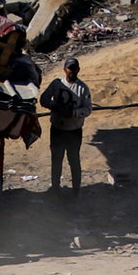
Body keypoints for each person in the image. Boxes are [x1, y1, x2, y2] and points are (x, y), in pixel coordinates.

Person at [39, 56, 92, 197]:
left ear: (78, 70)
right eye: (70, 68)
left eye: (74, 68)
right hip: (57, 130)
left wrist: (73, 113)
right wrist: (55, 106)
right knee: (56, 160)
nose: (72, 71)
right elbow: (43, 99)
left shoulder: (83, 88)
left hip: (74, 131)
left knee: (74, 160)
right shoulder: (56, 84)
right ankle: (55, 189)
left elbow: (87, 109)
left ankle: (76, 191)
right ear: (64, 70)